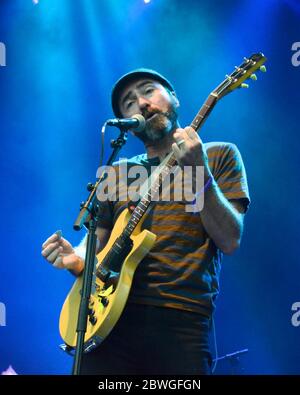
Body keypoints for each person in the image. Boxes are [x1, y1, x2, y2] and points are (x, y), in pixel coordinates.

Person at [41, 68, 250, 375]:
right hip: (108, 320)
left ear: (173, 96)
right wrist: (76, 257)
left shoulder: (219, 155)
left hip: (181, 319)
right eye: (128, 102)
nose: (141, 103)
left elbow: (230, 240)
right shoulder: (117, 172)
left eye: (148, 90)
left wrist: (199, 172)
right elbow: (94, 243)